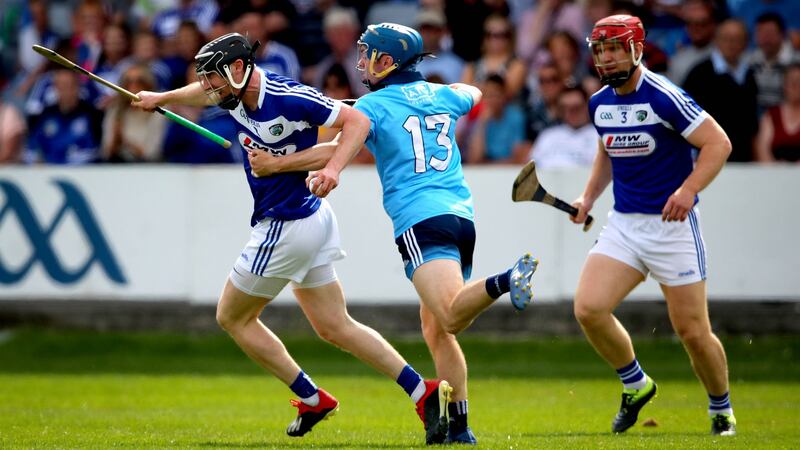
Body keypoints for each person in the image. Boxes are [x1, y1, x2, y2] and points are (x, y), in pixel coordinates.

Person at [130, 33, 451, 445]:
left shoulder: (289, 96)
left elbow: (356, 123)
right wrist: (162, 97)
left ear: (240, 70)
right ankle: (421, 392)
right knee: (335, 325)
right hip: (311, 221)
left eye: (216, 79)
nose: (211, 89)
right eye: (208, 80)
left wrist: (328, 168)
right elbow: (206, 94)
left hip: (286, 224)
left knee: (232, 317)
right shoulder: (232, 92)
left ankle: (311, 397)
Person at [247, 23, 539, 445]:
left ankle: (505, 279)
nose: (361, 61)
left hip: (421, 220)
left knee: (452, 314)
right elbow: (472, 93)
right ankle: (459, 427)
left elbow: (340, 146)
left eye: (368, 54)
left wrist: (282, 165)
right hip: (461, 218)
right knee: (438, 330)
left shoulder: (372, 107)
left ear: (387, 62)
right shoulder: (443, 95)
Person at [571, 14, 736, 436]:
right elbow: (607, 152)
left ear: (636, 49)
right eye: (600, 50)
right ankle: (636, 383)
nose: (606, 59)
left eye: (614, 49)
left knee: (693, 333)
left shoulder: (665, 97)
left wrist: (688, 189)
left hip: (672, 229)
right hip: (625, 225)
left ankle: (721, 409)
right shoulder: (599, 102)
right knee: (588, 308)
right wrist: (588, 197)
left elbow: (718, 143)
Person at [528, 85, 597, 168]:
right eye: (565, 108)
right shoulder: (547, 135)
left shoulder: (599, 136)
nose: (571, 113)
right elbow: (533, 166)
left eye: (576, 108)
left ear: (587, 106)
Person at [755, 63, 800, 163]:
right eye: (791, 81)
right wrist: (777, 169)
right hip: (774, 174)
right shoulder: (771, 115)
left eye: (798, 82)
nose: (794, 86)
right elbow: (762, 148)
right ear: (784, 85)